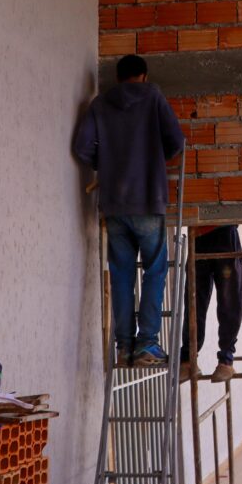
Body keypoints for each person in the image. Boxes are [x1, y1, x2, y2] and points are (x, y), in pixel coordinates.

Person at [73, 54, 185, 367]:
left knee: (121, 275)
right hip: (148, 199)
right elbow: (176, 141)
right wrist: (154, 158)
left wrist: (106, 165)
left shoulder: (99, 104)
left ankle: (124, 347)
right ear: (144, 76)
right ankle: (147, 343)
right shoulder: (153, 96)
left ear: (119, 77)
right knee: (155, 270)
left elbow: (82, 148)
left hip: (113, 204)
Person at [181, 226, 242, 382]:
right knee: (194, 299)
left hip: (223, 230)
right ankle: (188, 359)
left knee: (228, 299)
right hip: (199, 234)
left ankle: (225, 359)